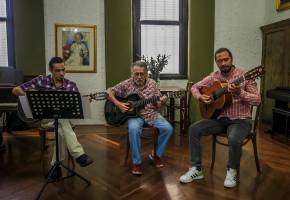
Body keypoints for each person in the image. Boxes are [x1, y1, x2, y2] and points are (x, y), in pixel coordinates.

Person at [179, 48, 261, 188]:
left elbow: (257, 100)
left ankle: (232, 170)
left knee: (234, 138)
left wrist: (240, 93)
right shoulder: (214, 76)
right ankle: (196, 169)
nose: (223, 63)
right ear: (216, 62)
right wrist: (201, 97)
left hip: (240, 120)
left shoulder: (246, 75)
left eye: (226, 59)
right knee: (194, 129)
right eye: (219, 60)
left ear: (231, 59)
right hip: (219, 119)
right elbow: (194, 88)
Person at [12, 57, 93, 174]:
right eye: (57, 70)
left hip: (61, 120)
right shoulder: (41, 81)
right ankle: (79, 155)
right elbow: (16, 90)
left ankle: (56, 168)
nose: (62, 73)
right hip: (43, 119)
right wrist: (32, 98)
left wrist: (83, 103)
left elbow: (74, 109)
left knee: (60, 126)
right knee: (62, 121)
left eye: (63, 70)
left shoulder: (71, 86)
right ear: (50, 70)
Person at [106, 60, 173, 175]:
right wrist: (118, 104)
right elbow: (108, 91)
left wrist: (162, 102)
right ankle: (136, 162)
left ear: (146, 74)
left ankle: (156, 155)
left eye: (142, 74)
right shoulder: (127, 84)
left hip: (152, 114)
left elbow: (157, 105)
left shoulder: (153, 84)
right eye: (136, 74)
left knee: (168, 128)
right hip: (134, 116)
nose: (139, 76)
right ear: (132, 73)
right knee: (133, 129)